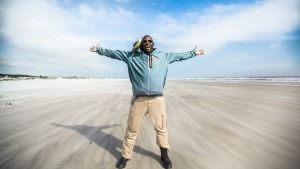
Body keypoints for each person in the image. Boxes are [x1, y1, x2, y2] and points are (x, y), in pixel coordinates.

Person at [90, 35, 204, 169]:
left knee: (161, 128)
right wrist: (99, 50)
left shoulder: (163, 56)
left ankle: (164, 155)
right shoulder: (131, 56)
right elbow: (114, 54)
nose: (147, 43)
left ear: (153, 43)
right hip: (139, 100)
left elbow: (179, 56)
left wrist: (194, 53)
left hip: (158, 100)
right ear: (140, 44)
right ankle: (125, 156)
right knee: (132, 129)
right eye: (144, 41)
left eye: (150, 41)